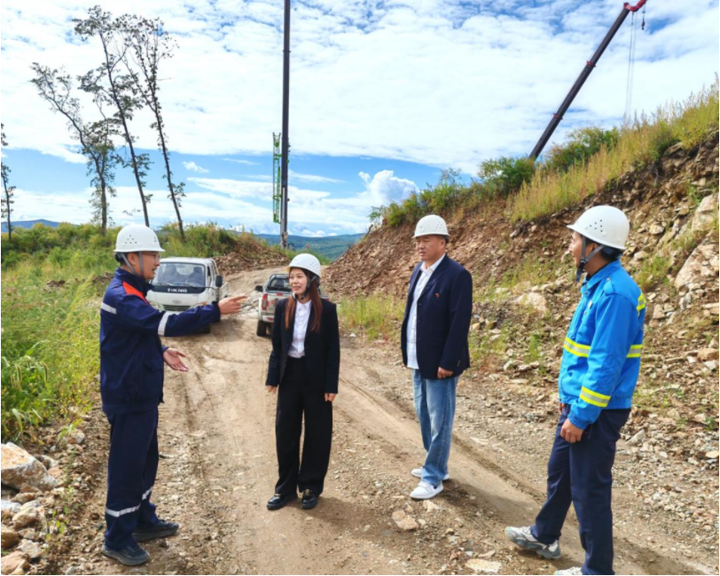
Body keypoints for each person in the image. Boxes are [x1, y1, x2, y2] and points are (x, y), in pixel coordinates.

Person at [506, 206, 646, 576]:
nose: (569, 246)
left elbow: (605, 365)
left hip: (597, 411)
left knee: (589, 490)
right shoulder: (597, 285)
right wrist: (569, 400)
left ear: (594, 246)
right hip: (580, 404)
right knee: (562, 474)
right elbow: (583, 356)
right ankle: (545, 536)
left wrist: (582, 415)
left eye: (574, 239)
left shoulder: (615, 294)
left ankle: (597, 570)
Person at [100, 224, 247, 566]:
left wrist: (161, 350)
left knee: (145, 461)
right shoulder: (122, 295)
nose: (157, 261)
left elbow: (141, 332)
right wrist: (215, 310)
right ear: (131, 257)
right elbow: (164, 322)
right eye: (152, 255)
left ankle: (141, 520)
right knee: (126, 467)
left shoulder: (133, 290)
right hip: (129, 395)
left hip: (141, 392)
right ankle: (117, 538)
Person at [401, 214, 472, 500]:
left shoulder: (457, 275)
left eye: (426, 240)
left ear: (443, 242)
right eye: (418, 240)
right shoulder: (419, 271)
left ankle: (433, 477)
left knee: (440, 419)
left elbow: (459, 323)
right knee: (424, 415)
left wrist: (449, 361)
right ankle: (435, 464)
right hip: (419, 357)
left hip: (441, 362)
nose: (420, 245)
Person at [265, 253, 340, 511]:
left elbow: (333, 350)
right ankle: (285, 489)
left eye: (299, 276)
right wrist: (272, 377)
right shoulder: (283, 307)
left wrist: (331, 385)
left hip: (316, 379)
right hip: (290, 376)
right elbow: (277, 347)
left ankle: (310, 486)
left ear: (312, 279)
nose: (294, 281)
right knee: (285, 432)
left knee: (318, 434)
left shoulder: (327, 310)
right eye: (291, 277)